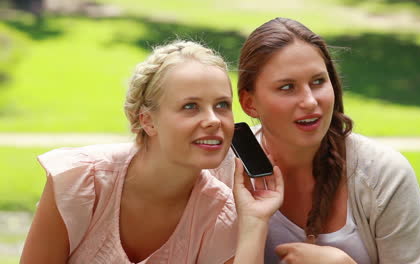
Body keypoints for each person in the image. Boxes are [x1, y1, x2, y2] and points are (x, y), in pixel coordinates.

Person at [20, 40, 284, 264]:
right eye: (191, 106)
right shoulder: (80, 182)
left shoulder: (220, 215)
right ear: (147, 120)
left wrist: (255, 221)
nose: (213, 120)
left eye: (222, 105)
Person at [215, 17, 420, 263]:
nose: (310, 101)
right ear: (249, 103)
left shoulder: (383, 174)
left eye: (318, 81)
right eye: (287, 87)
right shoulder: (223, 173)